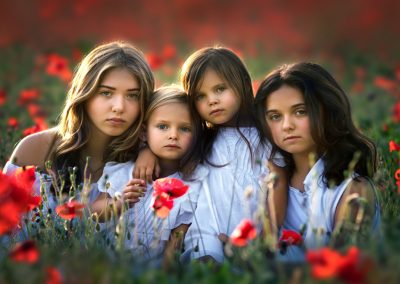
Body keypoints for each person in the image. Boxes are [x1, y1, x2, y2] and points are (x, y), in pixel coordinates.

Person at [153, 46, 286, 263]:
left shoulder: (264, 136)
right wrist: (145, 155)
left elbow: (278, 185)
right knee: (206, 262)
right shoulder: (201, 139)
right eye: (200, 96)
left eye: (219, 89)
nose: (212, 100)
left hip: (252, 229)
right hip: (207, 231)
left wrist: (267, 236)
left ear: (241, 84)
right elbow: (164, 153)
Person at [3, 41, 154, 212]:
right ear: (84, 94)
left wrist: (148, 151)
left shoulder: (146, 163)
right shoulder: (35, 150)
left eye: (133, 95)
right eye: (106, 93)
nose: (119, 107)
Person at [255, 62, 380, 262]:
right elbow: (257, 257)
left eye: (300, 112)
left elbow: (337, 269)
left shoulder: (353, 190)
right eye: (275, 116)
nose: (287, 126)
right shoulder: (269, 180)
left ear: (328, 111)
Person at [91, 85, 208, 267]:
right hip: (107, 266)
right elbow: (94, 212)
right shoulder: (123, 172)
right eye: (163, 126)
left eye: (185, 129)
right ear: (144, 132)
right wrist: (120, 202)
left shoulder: (190, 186)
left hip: (150, 271)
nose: (173, 135)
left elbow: (176, 241)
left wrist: (163, 276)